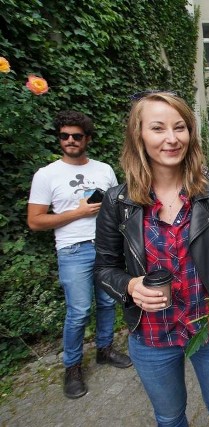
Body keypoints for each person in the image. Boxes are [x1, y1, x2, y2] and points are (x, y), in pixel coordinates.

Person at [94, 91, 209, 427]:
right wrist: (131, 285)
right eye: (158, 128)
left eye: (180, 127)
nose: (171, 138)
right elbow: (104, 269)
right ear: (139, 135)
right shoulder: (117, 202)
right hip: (151, 335)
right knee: (169, 417)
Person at [27, 110, 132, 400]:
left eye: (76, 136)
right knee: (79, 311)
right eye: (64, 136)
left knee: (108, 303)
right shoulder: (46, 175)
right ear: (59, 138)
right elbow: (35, 221)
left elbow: (118, 208)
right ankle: (72, 367)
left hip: (106, 247)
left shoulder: (104, 170)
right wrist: (79, 212)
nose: (70, 140)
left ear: (87, 139)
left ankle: (104, 349)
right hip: (73, 250)